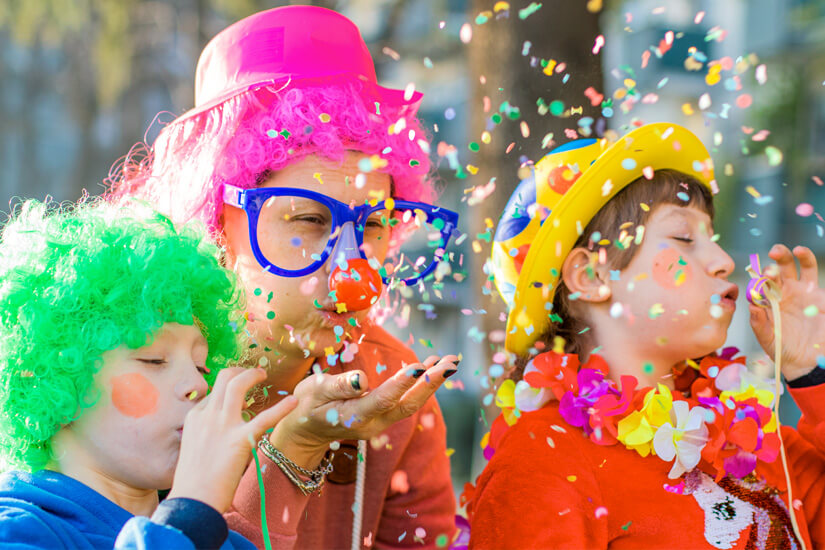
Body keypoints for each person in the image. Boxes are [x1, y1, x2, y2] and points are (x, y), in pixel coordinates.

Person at [107, 6, 461, 549]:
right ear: (216, 224)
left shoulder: (397, 392)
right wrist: (297, 450)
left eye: (371, 225)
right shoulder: (137, 379)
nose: (352, 273)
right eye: (310, 220)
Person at [466, 123, 825, 549]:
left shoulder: (754, 440)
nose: (724, 261)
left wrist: (810, 372)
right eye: (684, 237)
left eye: (712, 237)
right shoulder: (541, 461)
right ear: (592, 276)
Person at [0, 199, 299, 549]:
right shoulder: (17, 531)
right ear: (47, 381)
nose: (198, 385)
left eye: (202, 366)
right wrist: (189, 512)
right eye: (154, 360)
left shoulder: (221, 541)